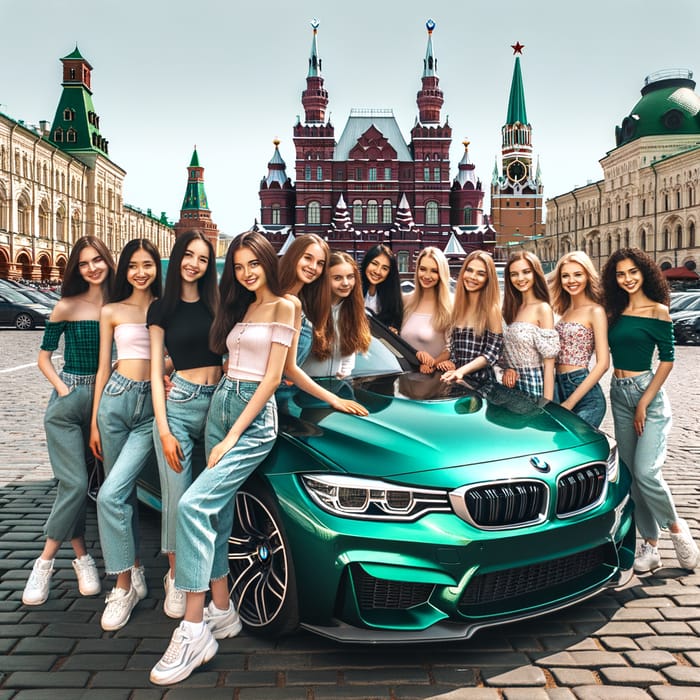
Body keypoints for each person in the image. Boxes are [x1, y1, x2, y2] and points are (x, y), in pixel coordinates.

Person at [150, 231, 297, 685]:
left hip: (250, 418)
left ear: (269, 263)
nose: (247, 272)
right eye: (238, 266)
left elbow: (274, 377)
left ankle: (193, 628)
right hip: (220, 402)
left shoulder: (285, 306)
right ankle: (223, 611)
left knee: (193, 506)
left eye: (254, 263)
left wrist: (233, 435)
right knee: (216, 516)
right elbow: (207, 352)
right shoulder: (242, 305)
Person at [22, 236, 115, 606]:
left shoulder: (119, 304)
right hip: (69, 399)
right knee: (75, 483)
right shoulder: (66, 305)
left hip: (107, 399)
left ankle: (82, 557)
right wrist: (63, 388)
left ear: (108, 261)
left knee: (79, 486)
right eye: (83, 263)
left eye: (97, 260)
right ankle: (44, 564)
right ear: (76, 269)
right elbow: (44, 357)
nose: (92, 267)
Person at [602, 247, 699, 574]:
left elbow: (668, 359)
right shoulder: (613, 311)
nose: (627, 279)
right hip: (618, 394)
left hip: (648, 397)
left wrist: (644, 401)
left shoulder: (658, 311)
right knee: (631, 477)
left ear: (644, 273)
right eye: (620, 274)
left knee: (647, 472)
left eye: (633, 272)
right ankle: (651, 546)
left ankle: (677, 530)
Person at [147, 231, 221, 619]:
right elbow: (157, 365)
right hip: (179, 407)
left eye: (203, 258)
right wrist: (163, 430)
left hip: (218, 408)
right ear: (177, 259)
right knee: (176, 499)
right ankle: (177, 578)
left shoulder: (217, 303)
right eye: (189, 255)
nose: (195, 263)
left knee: (207, 503)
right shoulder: (161, 308)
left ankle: (209, 576)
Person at [90, 238, 162, 631]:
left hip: (151, 408)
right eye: (133, 265)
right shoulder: (112, 310)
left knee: (111, 493)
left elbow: (180, 354)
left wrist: (165, 366)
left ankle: (122, 586)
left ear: (156, 269)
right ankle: (131, 571)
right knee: (121, 496)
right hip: (114, 403)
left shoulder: (163, 308)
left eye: (147, 264)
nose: (139, 272)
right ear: (125, 269)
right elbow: (104, 367)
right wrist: (93, 422)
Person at [549, 251, 608, 427]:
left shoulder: (595, 311)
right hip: (558, 387)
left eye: (578, 274)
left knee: (574, 448)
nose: (571, 280)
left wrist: (570, 402)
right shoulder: (564, 311)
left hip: (585, 395)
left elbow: (603, 364)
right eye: (565, 276)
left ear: (588, 277)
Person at [500, 251, 559, 400]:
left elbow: (549, 363)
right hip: (509, 385)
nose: (520, 278)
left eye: (526, 272)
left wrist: (547, 404)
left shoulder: (542, 308)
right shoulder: (508, 308)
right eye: (514, 274)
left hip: (533, 383)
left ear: (535, 274)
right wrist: (507, 369)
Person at [302, 251, 371, 378]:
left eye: (350, 276)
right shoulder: (306, 312)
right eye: (337, 278)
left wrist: (344, 372)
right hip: (301, 390)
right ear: (324, 281)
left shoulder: (353, 312)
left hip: (335, 388)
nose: (345, 283)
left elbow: (349, 351)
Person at [439, 250, 503, 384]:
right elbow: (454, 351)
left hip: (481, 382)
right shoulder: (458, 308)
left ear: (488, 279)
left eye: (481, 274)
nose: (473, 277)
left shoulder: (491, 310)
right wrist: (450, 364)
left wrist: (461, 371)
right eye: (469, 270)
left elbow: (491, 354)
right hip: (457, 380)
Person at [278, 233, 332, 367]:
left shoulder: (307, 305)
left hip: (286, 385)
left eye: (320, 263)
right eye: (308, 258)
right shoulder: (278, 301)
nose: (313, 267)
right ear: (293, 257)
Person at [400, 246, 452, 373]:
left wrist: (433, 363)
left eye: (434, 271)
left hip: (433, 379)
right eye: (423, 269)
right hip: (403, 380)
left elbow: (451, 349)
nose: (427, 276)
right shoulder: (405, 300)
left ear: (442, 273)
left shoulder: (450, 305)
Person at [360, 244, 403, 332]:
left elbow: (395, 323)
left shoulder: (392, 295)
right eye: (374, 263)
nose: (378, 271)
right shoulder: (352, 288)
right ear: (367, 263)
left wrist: (392, 331)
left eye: (384, 268)